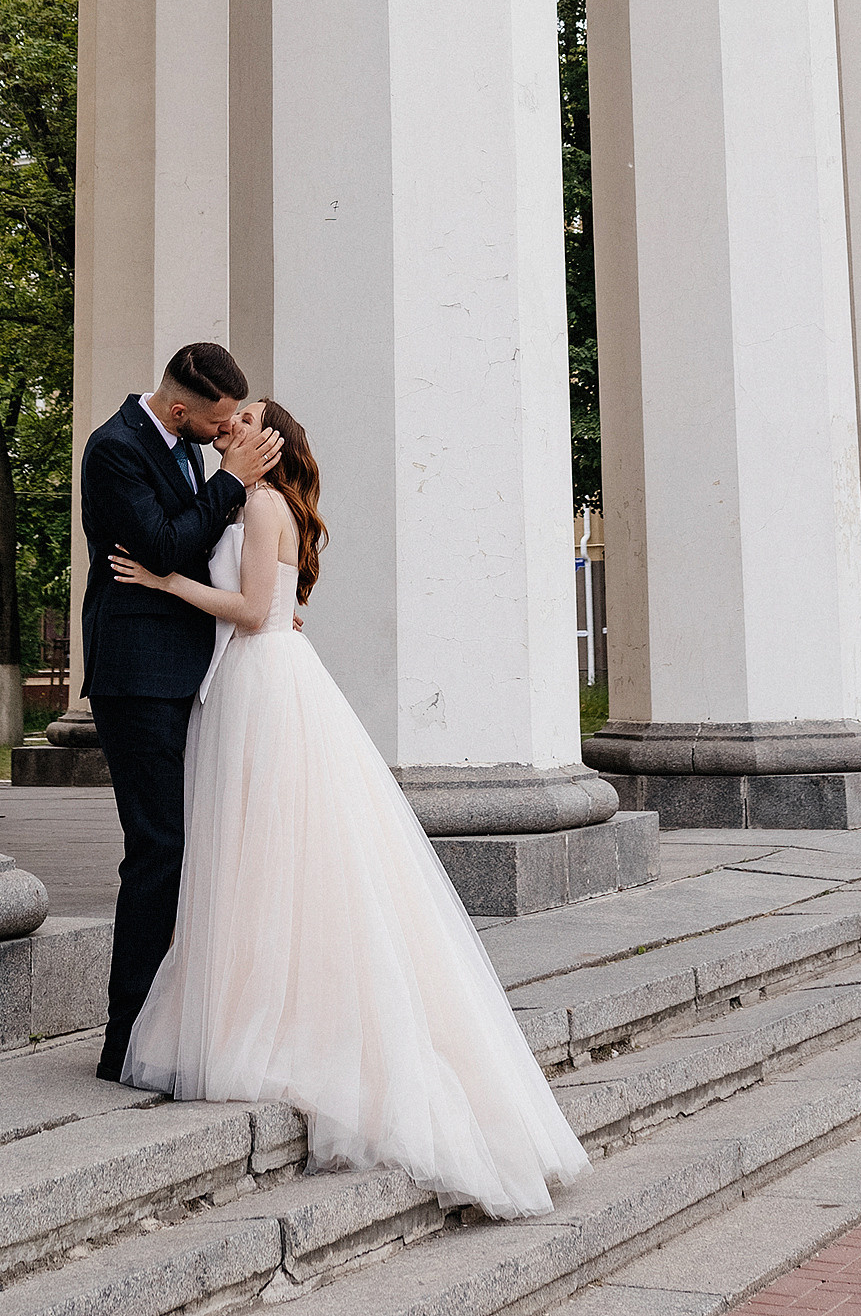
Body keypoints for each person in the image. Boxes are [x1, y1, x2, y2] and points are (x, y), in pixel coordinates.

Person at [107, 399, 589, 1222]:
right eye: (231, 413)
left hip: (263, 679)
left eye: (250, 416)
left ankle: (269, 1019)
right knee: (264, 854)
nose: (233, 420)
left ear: (272, 441)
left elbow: (257, 613)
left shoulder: (259, 503)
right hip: (264, 678)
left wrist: (163, 579)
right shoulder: (261, 500)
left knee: (266, 849)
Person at [77, 341, 283, 1081]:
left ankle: (173, 1028)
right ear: (177, 410)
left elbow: (205, 551)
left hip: (192, 671)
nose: (228, 435)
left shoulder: (191, 450)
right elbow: (164, 549)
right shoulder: (114, 450)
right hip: (136, 676)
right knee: (159, 850)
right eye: (219, 422)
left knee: (191, 849)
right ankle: (124, 1040)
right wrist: (230, 483)